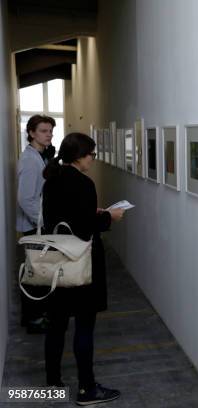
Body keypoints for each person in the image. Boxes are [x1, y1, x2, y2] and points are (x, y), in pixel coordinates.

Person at [42, 133, 125, 406]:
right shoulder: (83, 183)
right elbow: (85, 226)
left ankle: (53, 383)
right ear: (79, 155)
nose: (93, 158)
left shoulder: (52, 179)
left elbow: (62, 218)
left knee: (56, 325)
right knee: (84, 326)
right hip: (81, 263)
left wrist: (93, 212)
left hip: (56, 264)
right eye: (91, 153)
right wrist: (107, 216)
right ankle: (86, 390)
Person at [16, 114, 56, 333]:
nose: (48, 134)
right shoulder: (30, 160)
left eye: (50, 130)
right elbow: (25, 198)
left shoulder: (41, 156)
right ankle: (33, 318)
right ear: (31, 133)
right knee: (35, 272)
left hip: (37, 224)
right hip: (35, 226)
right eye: (43, 130)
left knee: (38, 270)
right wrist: (42, 222)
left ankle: (33, 316)